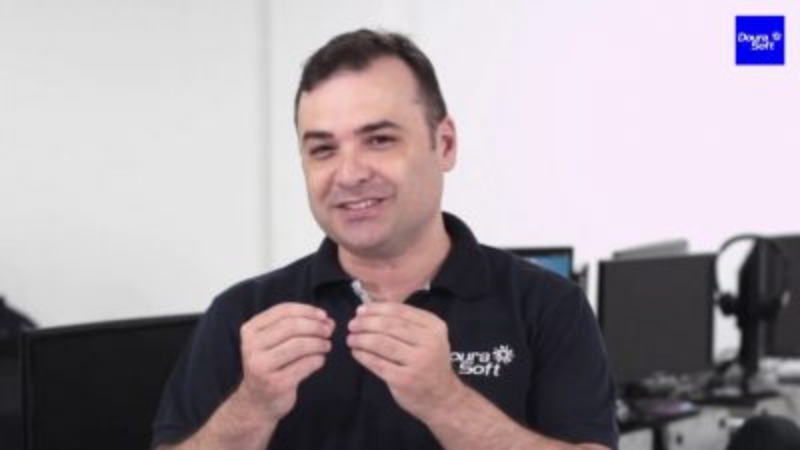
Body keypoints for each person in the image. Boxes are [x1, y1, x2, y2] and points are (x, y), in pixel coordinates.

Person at [152, 29, 617, 450]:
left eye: (379, 140)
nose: (349, 174)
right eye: (323, 149)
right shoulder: (243, 314)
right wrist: (252, 406)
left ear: (445, 144)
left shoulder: (548, 306)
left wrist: (446, 401)